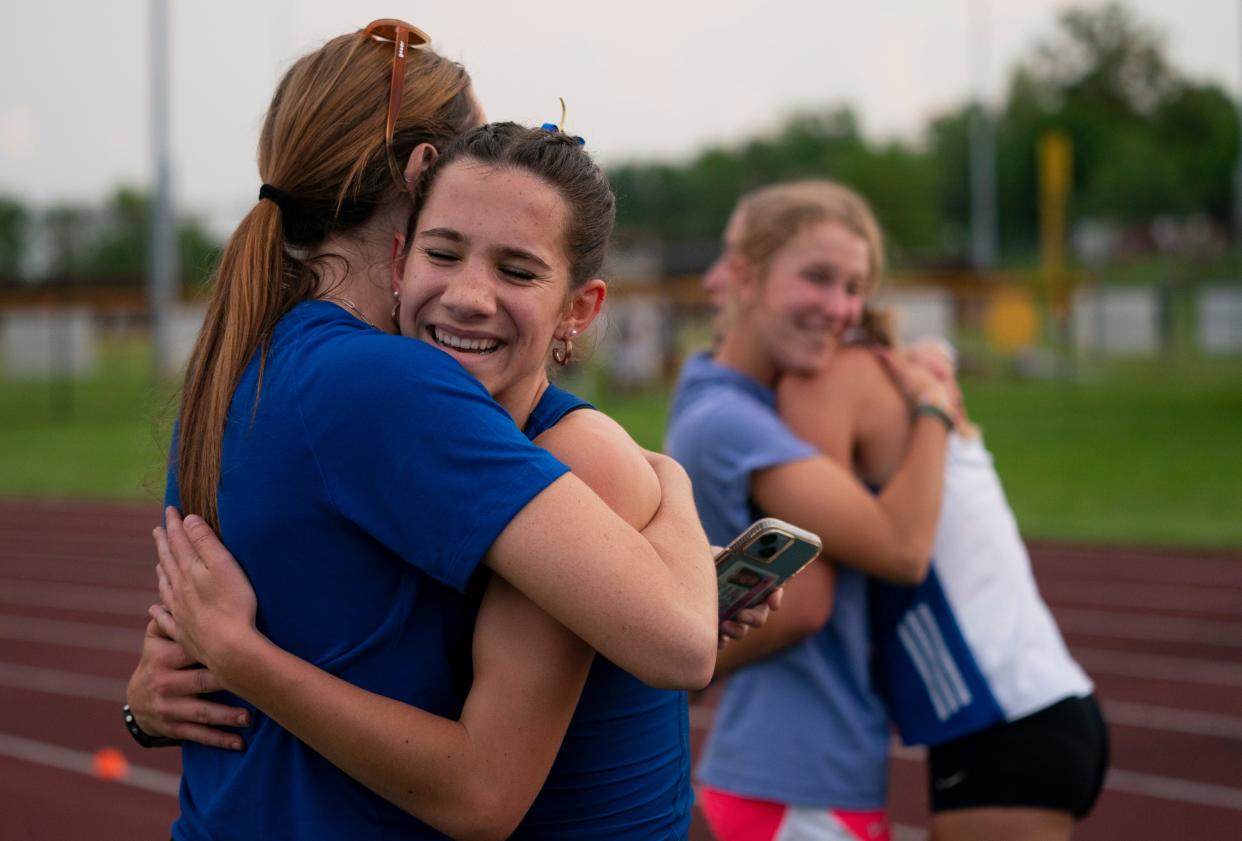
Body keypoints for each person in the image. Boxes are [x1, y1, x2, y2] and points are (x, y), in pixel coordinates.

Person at [125, 21, 720, 841]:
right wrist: (671, 483)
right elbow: (680, 644)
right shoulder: (389, 382)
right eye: (473, 141)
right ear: (422, 173)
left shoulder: (240, 354)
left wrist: (145, 703)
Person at [666, 181, 955, 841]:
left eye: (854, 287)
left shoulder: (731, 392)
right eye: (818, 279)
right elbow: (806, 601)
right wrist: (934, 404)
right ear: (745, 275)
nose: (840, 308)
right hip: (796, 773)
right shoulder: (729, 418)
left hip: (796, 769)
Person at [779, 318, 1108, 841]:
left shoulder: (844, 380)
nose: (715, 279)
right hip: (1040, 708)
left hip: (1004, 726)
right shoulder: (912, 379)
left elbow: (859, 561)